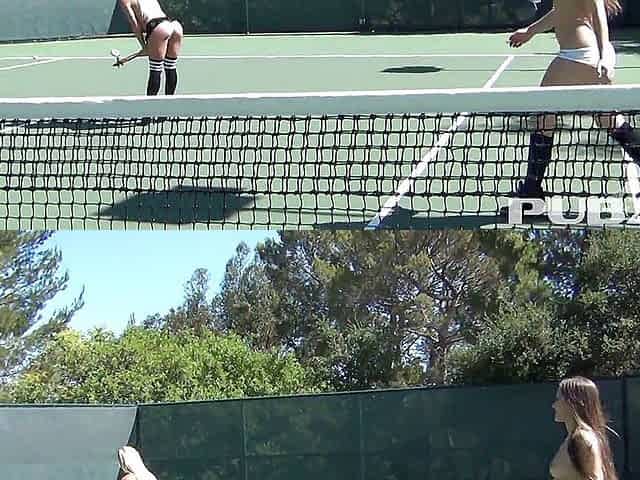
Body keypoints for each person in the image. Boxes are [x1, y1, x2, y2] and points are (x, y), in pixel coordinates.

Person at [507, 0, 640, 202]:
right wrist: (530, 31)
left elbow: (599, 14)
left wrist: (605, 56)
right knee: (609, 120)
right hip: (583, 56)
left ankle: (531, 194)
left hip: (578, 57)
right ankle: (531, 192)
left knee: (543, 120)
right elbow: (560, 11)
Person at [550, 376, 618, 480]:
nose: (553, 405)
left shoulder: (582, 438)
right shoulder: (572, 437)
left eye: (558, 399)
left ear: (574, 403)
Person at [118, 0, 184, 96]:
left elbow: (135, 25)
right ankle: (170, 102)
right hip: (174, 26)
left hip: (159, 27)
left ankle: (150, 104)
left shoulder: (124, 1)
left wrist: (144, 46)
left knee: (155, 68)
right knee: (170, 66)